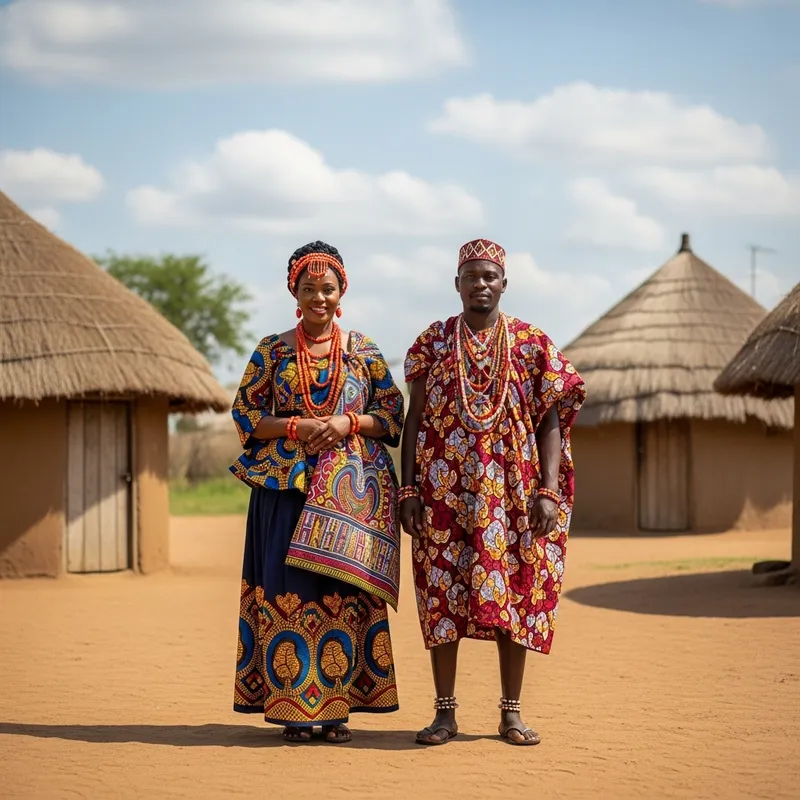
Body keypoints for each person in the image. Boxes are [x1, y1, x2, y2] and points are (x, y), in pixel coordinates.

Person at [399, 238, 586, 747]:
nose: (480, 285)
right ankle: (444, 714)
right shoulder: (433, 342)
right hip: (444, 492)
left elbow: (551, 422)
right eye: (471, 277)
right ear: (456, 284)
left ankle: (511, 713)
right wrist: (409, 488)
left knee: (514, 592)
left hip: (513, 492)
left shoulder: (532, 343)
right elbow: (414, 418)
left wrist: (548, 490)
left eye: (489, 277)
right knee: (442, 596)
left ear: (504, 283)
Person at [230, 241, 405, 744]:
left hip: (349, 501)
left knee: (340, 592)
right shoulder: (272, 350)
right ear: (295, 292)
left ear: (341, 290)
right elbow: (245, 414)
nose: (319, 298)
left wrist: (349, 421)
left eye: (328, 288)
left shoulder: (364, 351)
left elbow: (392, 413)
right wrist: (295, 427)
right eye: (309, 288)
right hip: (285, 492)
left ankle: (335, 710)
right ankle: (292, 707)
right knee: (287, 591)